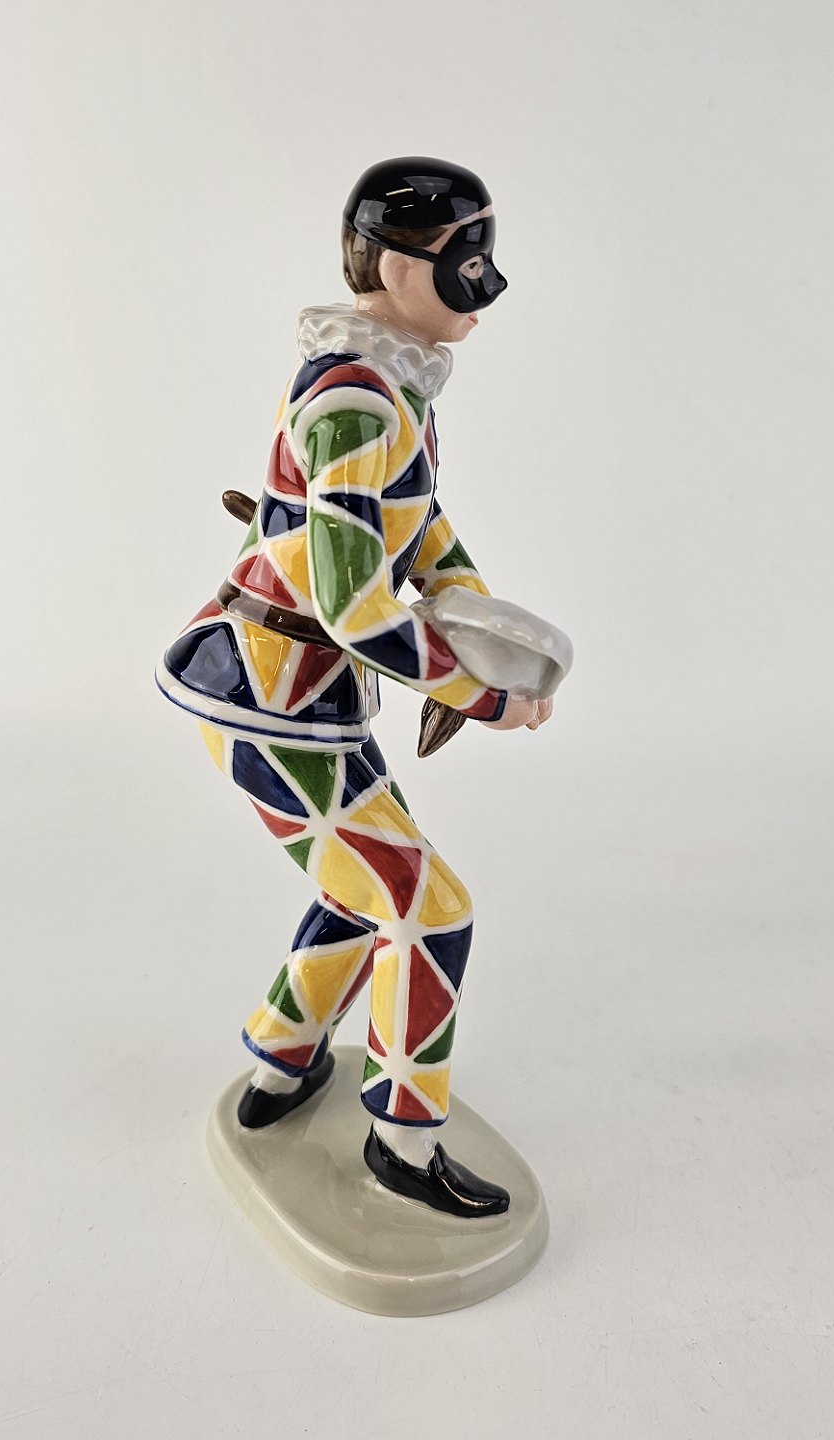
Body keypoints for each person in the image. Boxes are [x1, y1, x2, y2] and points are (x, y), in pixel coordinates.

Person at [156, 157, 552, 1217]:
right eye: (466, 258)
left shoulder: (393, 382)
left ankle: (282, 1058)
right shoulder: (356, 406)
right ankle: (403, 1143)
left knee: (364, 887)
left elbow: (420, 527)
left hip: (303, 700)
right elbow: (355, 608)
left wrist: (484, 623)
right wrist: (481, 694)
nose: (485, 283)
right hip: (268, 700)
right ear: (399, 266)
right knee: (429, 910)